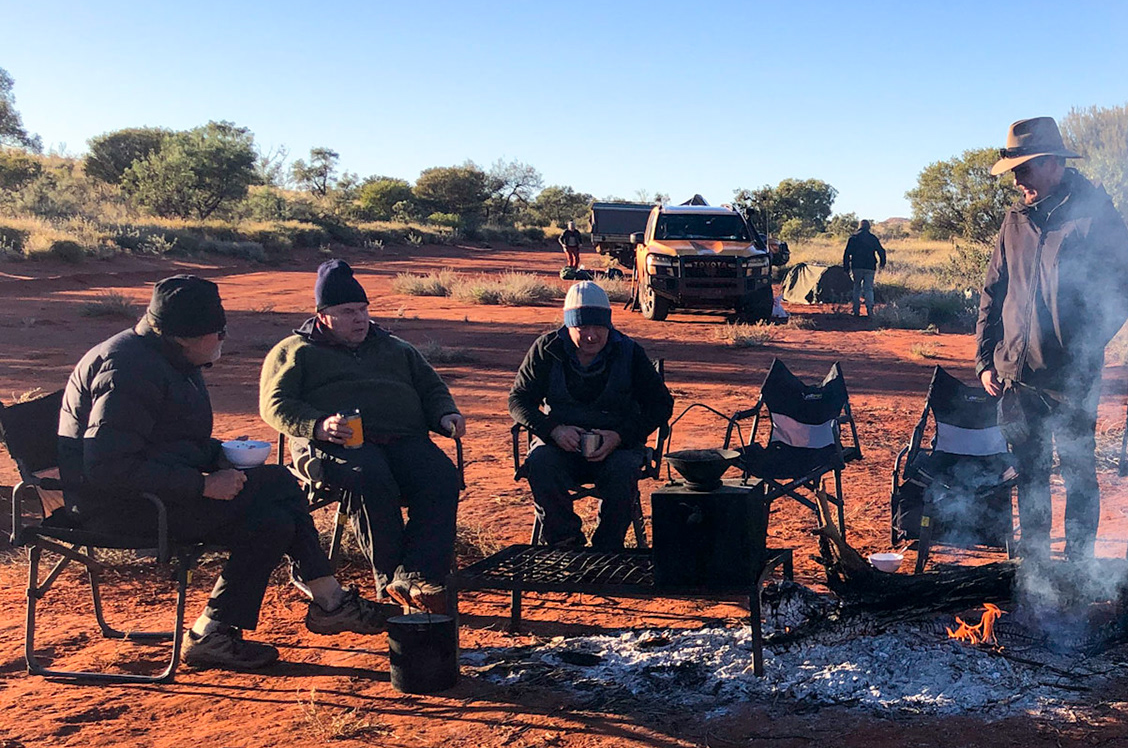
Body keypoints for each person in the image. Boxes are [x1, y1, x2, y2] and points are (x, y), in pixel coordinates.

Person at [59, 276, 393, 671]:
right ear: (184, 336)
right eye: (218, 332)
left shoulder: (170, 358)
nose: (224, 338)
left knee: (274, 520)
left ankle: (213, 633)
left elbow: (169, 440)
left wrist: (219, 454)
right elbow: (108, 466)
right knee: (278, 484)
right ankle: (330, 602)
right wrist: (202, 484)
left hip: (158, 492)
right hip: (122, 508)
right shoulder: (128, 370)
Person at [260, 260, 466, 614]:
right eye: (348, 312)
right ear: (323, 315)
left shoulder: (395, 347)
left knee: (441, 477)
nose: (360, 319)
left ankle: (418, 576)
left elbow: (431, 388)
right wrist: (318, 425)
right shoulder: (295, 351)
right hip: (336, 443)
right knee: (369, 478)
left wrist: (445, 413)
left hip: (402, 438)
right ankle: (391, 582)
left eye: (363, 310)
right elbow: (274, 405)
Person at [975, 116, 1128, 563]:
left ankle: (1079, 570)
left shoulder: (1096, 216)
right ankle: (1037, 568)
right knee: (1030, 474)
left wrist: (1078, 350)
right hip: (1017, 377)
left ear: (1051, 163)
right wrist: (985, 359)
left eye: (1023, 170)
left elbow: (1121, 295)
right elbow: (993, 290)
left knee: (1079, 474)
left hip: (1071, 379)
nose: (1017, 181)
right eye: (1014, 172)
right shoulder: (1016, 220)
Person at [507, 281, 674, 549]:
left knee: (623, 471)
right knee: (540, 463)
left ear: (609, 325)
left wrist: (619, 436)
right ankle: (565, 541)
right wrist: (553, 430)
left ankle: (607, 548)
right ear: (568, 326)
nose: (591, 335)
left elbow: (661, 404)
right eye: (582, 327)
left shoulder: (629, 352)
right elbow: (518, 400)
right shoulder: (546, 349)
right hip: (560, 447)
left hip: (617, 449)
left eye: (599, 327)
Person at [841, 219, 887, 318]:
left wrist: (846, 268)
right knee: (868, 288)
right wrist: (882, 264)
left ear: (859, 227)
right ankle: (870, 310)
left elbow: (846, 254)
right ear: (869, 227)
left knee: (856, 287)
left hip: (856, 266)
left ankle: (856, 310)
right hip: (870, 267)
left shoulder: (853, 238)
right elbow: (881, 251)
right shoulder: (873, 238)